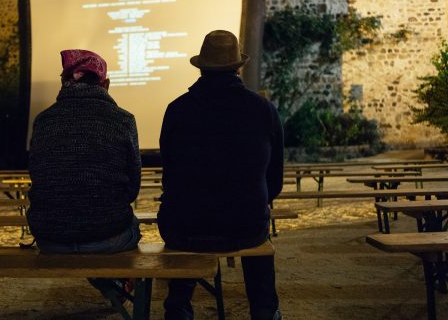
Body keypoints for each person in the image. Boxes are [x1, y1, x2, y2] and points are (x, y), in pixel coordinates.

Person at [157, 30, 284, 320]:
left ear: (201, 67)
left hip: (185, 229)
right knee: (255, 220)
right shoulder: (264, 110)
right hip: (246, 227)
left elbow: (170, 175)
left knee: (183, 214)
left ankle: (178, 306)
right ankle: (264, 310)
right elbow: (273, 182)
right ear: (238, 66)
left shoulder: (176, 110)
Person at [26, 49, 141, 303]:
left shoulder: (43, 121)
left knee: (84, 235)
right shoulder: (123, 120)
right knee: (132, 227)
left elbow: (37, 177)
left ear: (63, 83)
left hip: (50, 239)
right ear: (106, 84)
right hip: (107, 238)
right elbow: (133, 188)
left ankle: (114, 286)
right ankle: (118, 285)